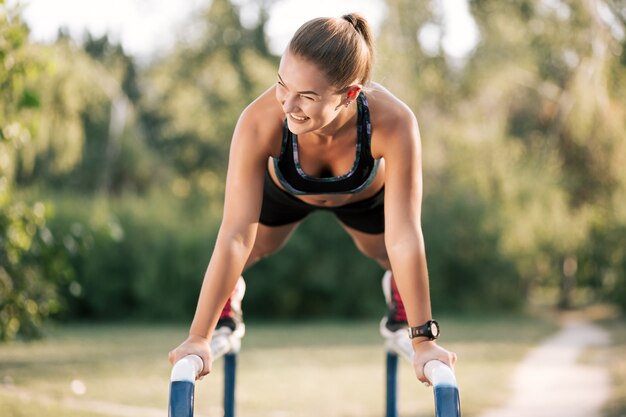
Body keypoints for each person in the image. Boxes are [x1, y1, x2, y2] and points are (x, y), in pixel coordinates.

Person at [168, 13, 457, 384]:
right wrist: (199, 337)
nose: (288, 105)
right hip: (287, 192)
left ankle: (396, 294)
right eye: (281, 85)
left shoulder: (394, 121)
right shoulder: (258, 121)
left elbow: (404, 236)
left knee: (389, 255)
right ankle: (230, 293)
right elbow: (236, 234)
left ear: (350, 94)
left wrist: (423, 342)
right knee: (252, 249)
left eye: (306, 96)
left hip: (360, 198)